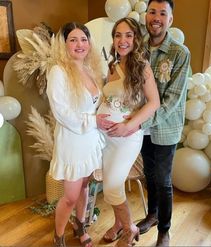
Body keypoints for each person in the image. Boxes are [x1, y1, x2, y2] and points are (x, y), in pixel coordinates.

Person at [46, 22, 114, 247]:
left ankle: (80, 224)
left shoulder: (91, 69)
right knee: (70, 196)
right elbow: (62, 113)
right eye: (73, 40)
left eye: (83, 39)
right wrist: (93, 121)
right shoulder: (58, 72)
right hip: (73, 140)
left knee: (85, 186)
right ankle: (58, 235)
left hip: (91, 139)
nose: (79, 44)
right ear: (64, 44)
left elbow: (97, 103)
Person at [97, 17, 160, 247]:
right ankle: (116, 225)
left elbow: (154, 103)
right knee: (109, 185)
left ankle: (129, 229)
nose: (122, 40)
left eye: (128, 35)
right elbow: (108, 98)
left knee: (113, 185)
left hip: (126, 138)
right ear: (113, 39)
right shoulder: (112, 65)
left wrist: (129, 125)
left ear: (135, 39)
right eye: (118, 35)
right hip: (106, 138)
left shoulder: (141, 66)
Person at [135, 0, 191, 246]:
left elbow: (172, 99)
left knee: (163, 179)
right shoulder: (139, 49)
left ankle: (164, 231)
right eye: (152, 12)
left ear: (170, 20)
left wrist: (141, 120)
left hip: (165, 128)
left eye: (162, 13)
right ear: (146, 16)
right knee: (149, 173)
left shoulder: (180, 53)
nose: (156, 17)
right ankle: (152, 215)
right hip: (142, 128)